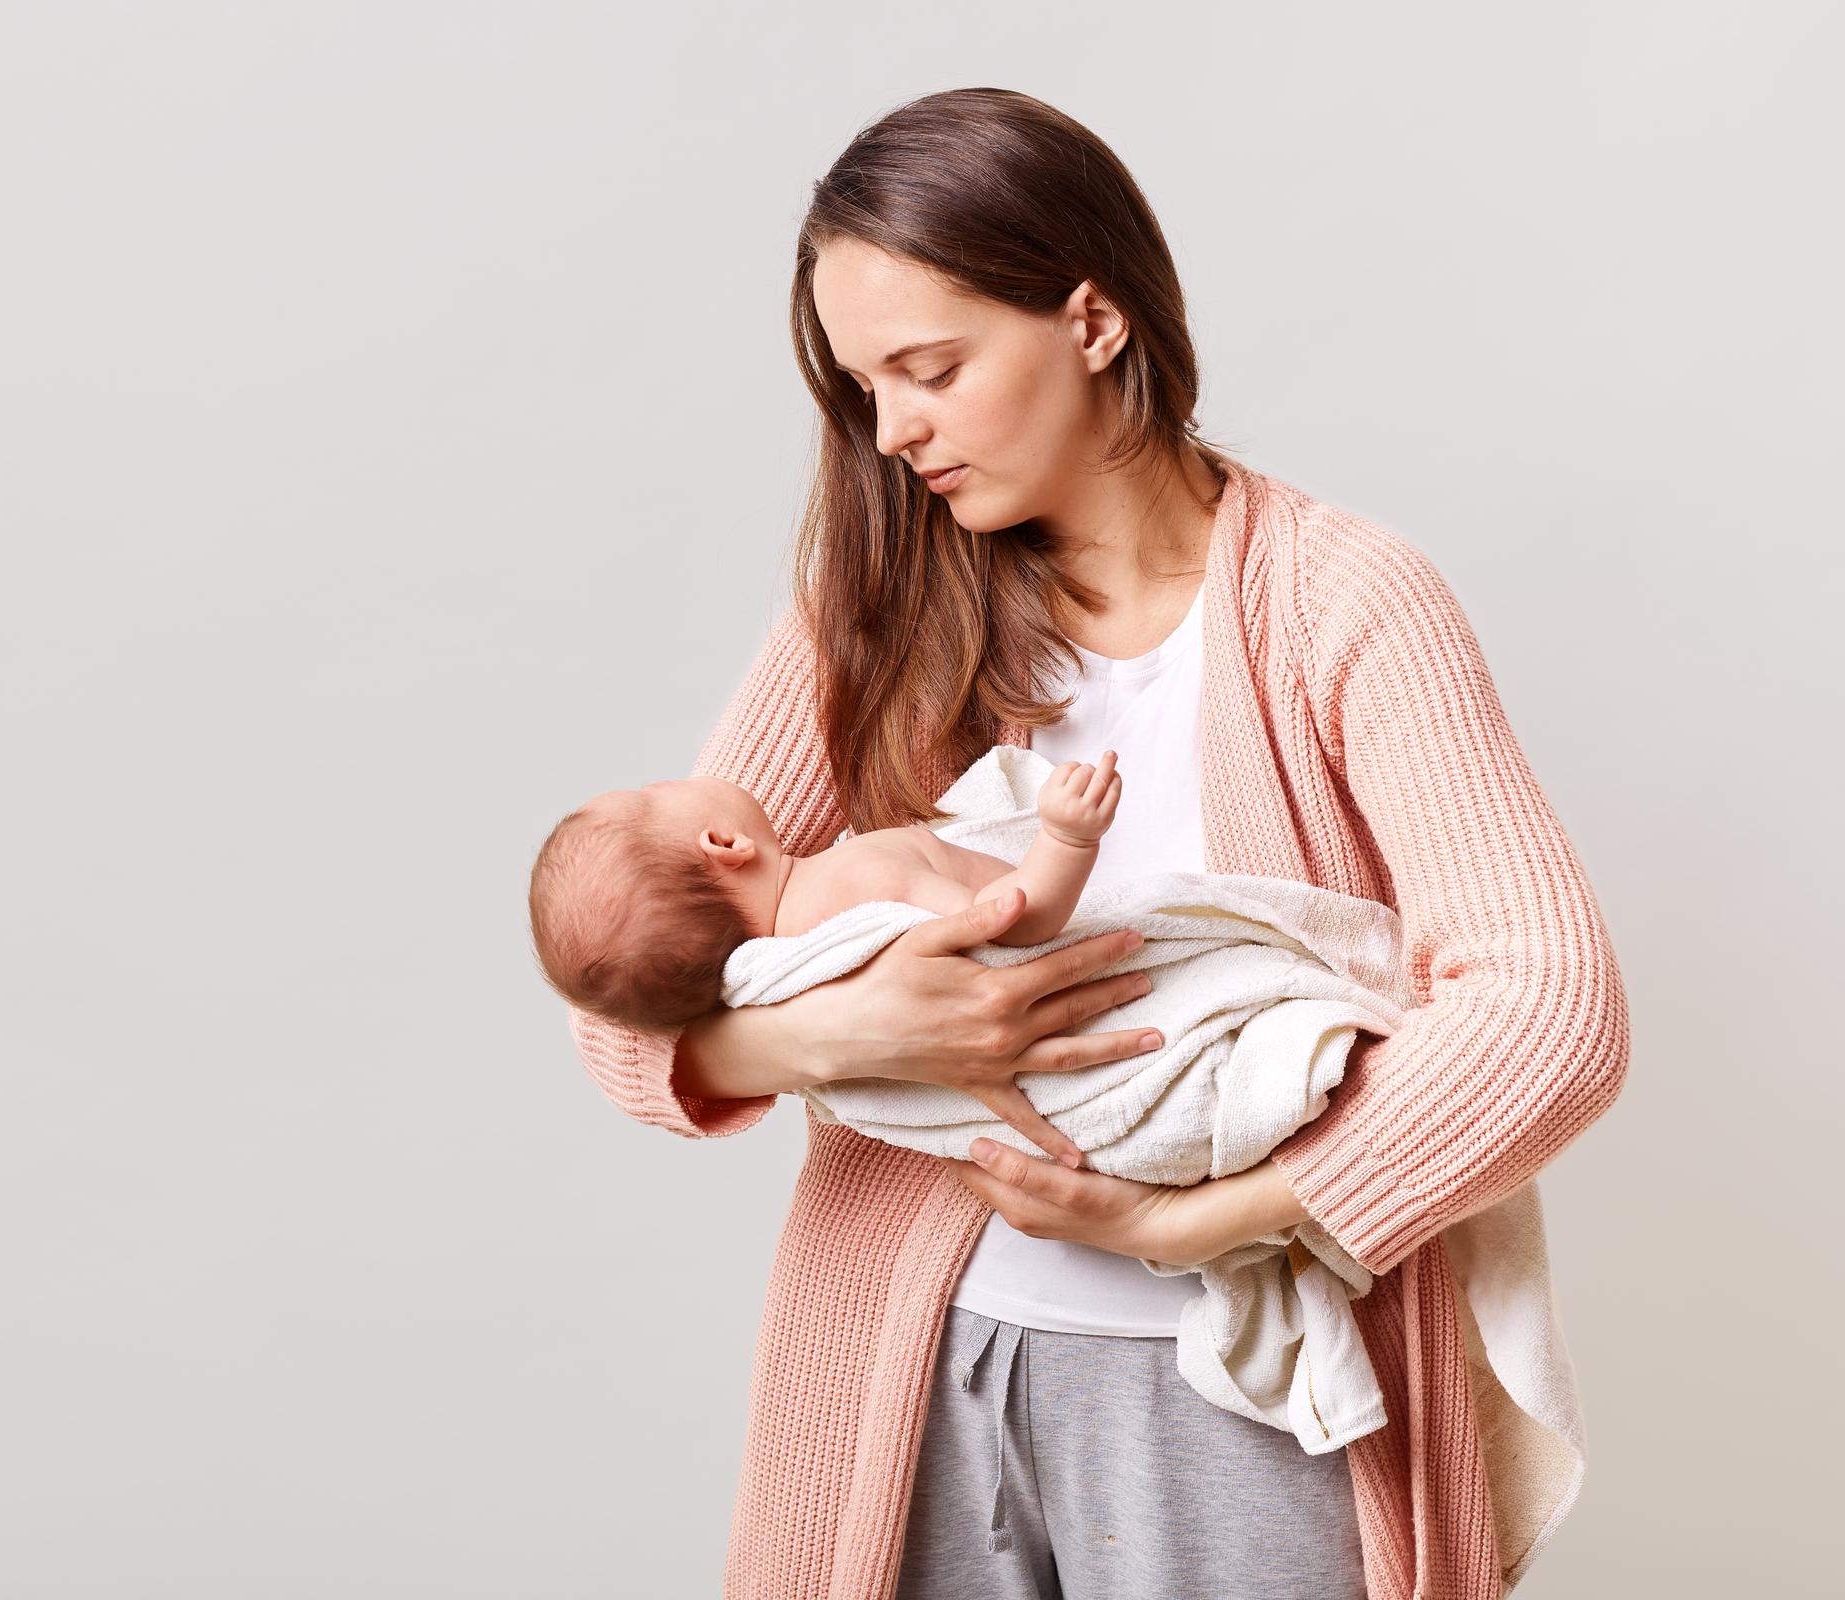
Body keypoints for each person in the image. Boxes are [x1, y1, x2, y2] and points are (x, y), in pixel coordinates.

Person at [561, 87, 1627, 1600]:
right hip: (912, 1369)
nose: (893, 430)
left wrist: (1203, 1219)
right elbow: (624, 1000)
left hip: (1242, 1381)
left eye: (929, 369)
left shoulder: (1344, 606)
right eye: (863, 386)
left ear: (1093, 320)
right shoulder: (871, 618)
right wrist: (840, 1029)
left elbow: (1551, 1011)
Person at [527, 751, 1124, 1054]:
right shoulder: (861, 876)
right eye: (654, 791)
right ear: (726, 844)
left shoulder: (785, 979)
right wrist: (1066, 840)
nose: (669, 777)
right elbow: (1011, 930)